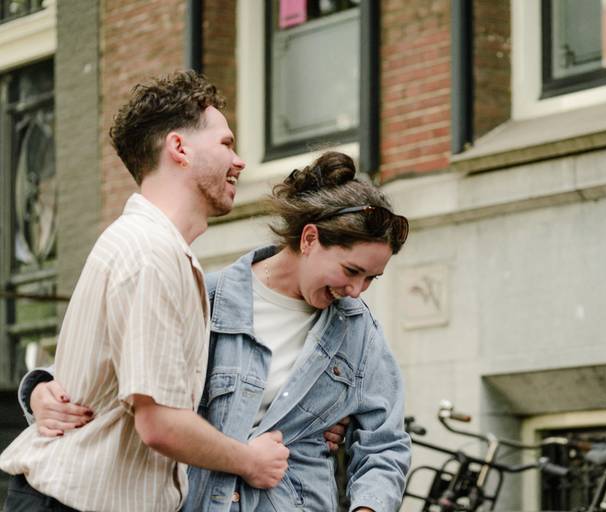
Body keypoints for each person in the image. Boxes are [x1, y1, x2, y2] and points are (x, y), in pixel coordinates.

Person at [26, 151, 412, 511]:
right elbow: (127, 380)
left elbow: (385, 443)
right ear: (310, 239)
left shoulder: (358, 330)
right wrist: (43, 391)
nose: (357, 290)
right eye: (351, 271)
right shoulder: (205, 298)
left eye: (371, 279)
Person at [0, 70, 293, 512]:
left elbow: (94, 380)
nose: (240, 162)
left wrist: (37, 388)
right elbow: (160, 424)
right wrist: (250, 461)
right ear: (179, 148)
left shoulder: (151, 247)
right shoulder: (149, 254)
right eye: (226, 144)